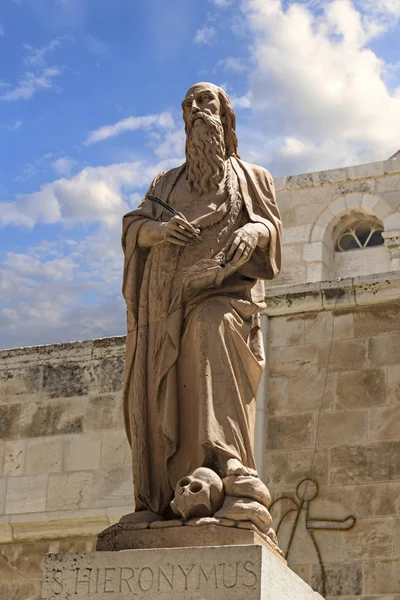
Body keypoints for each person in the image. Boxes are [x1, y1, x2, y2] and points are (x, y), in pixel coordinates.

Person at [121, 82, 282, 517]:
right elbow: (134, 226)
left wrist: (255, 231)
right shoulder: (166, 183)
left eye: (204, 100)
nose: (194, 109)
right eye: (187, 104)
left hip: (225, 297)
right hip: (167, 304)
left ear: (225, 115)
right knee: (167, 373)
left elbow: (272, 232)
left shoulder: (253, 178)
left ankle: (226, 460)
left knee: (210, 327)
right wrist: (158, 231)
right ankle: (172, 486)